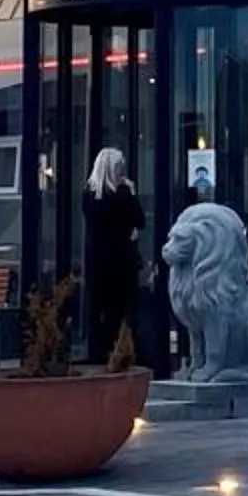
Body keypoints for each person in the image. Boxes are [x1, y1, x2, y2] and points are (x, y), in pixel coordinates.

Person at [81, 148, 144, 364]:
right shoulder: (123, 195)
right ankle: (122, 352)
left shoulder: (88, 195)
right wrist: (132, 191)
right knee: (122, 310)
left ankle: (99, 353)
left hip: (97, 261)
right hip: (120, 260)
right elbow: (140, 220)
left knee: (99, 310)